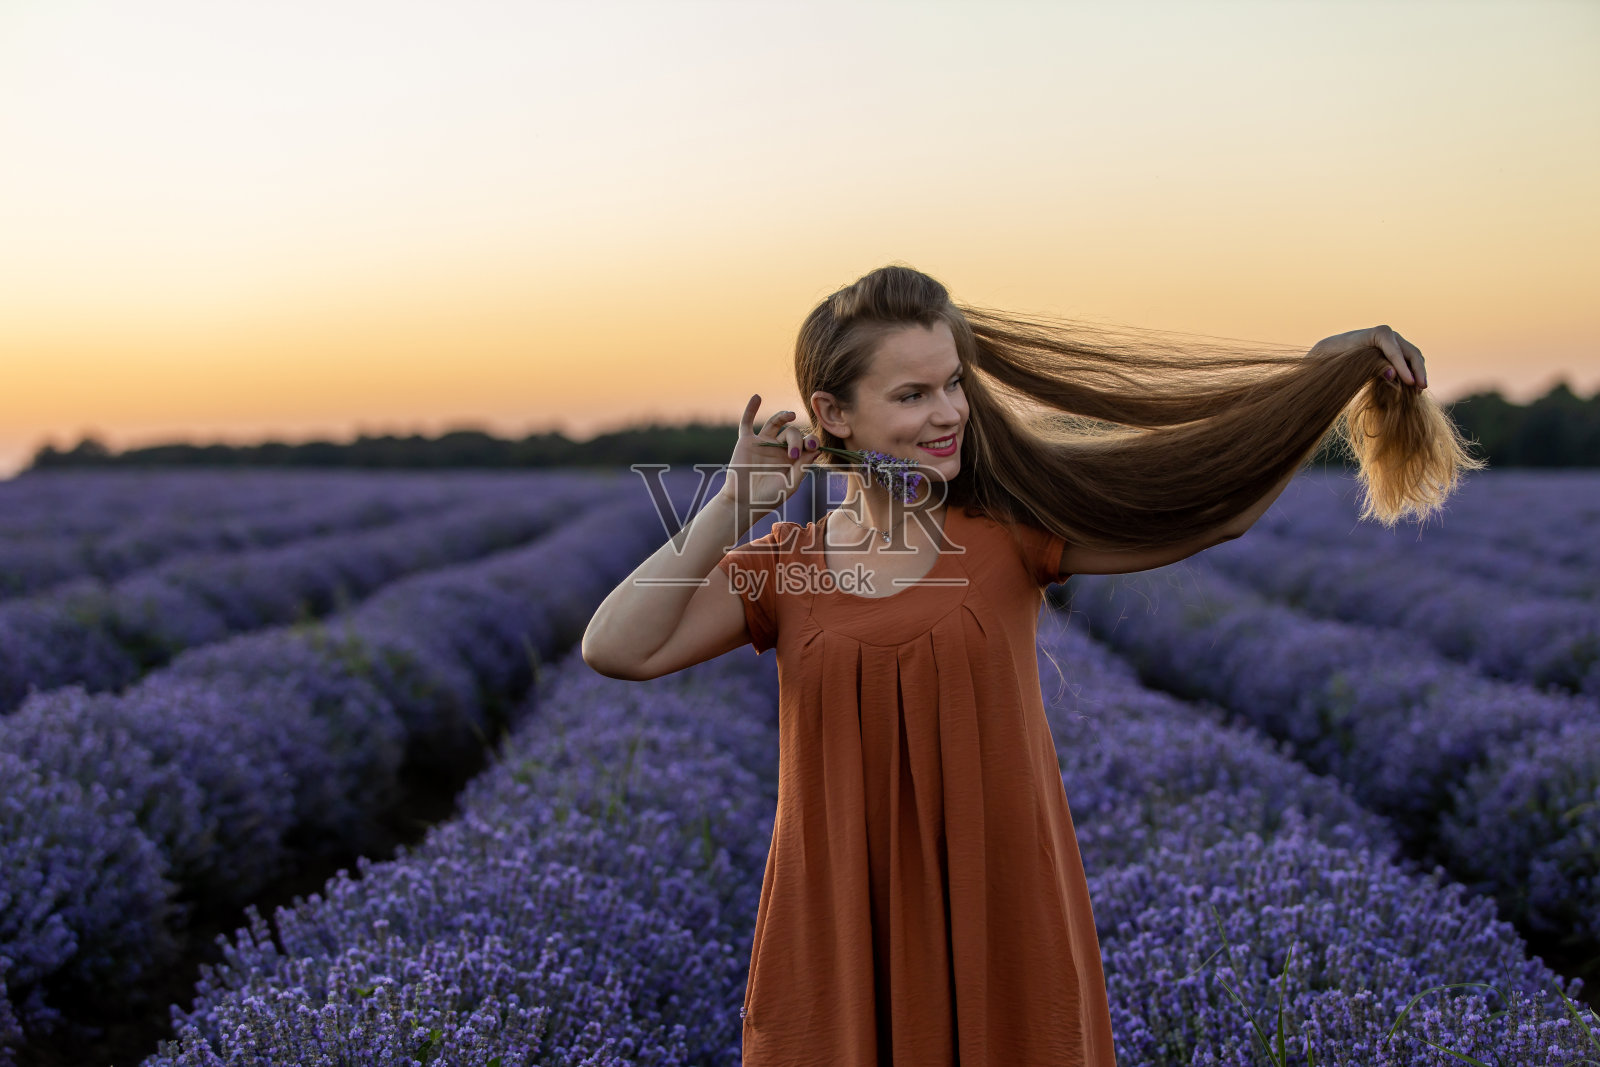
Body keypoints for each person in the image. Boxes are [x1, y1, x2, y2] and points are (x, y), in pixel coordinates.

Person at [582, 264, 1479, 1065]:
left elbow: (1213, 513)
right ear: (832, 413)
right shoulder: (788, 565)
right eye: (912, 394)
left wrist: (1312, 384)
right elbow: (619, 645)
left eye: (953, 385)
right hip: (839, 940)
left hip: (999, 922)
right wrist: (735, 501)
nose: (946, 413)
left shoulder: (1009, 532)